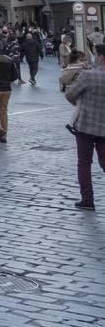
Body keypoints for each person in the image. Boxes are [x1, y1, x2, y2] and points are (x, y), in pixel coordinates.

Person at [65, 44, 105, 209]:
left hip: (86, 125)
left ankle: (87, 200)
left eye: (95, 54)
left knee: (84, 163)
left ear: (101, 57)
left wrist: (82, 101)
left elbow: (70, 94)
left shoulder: (88, 75)